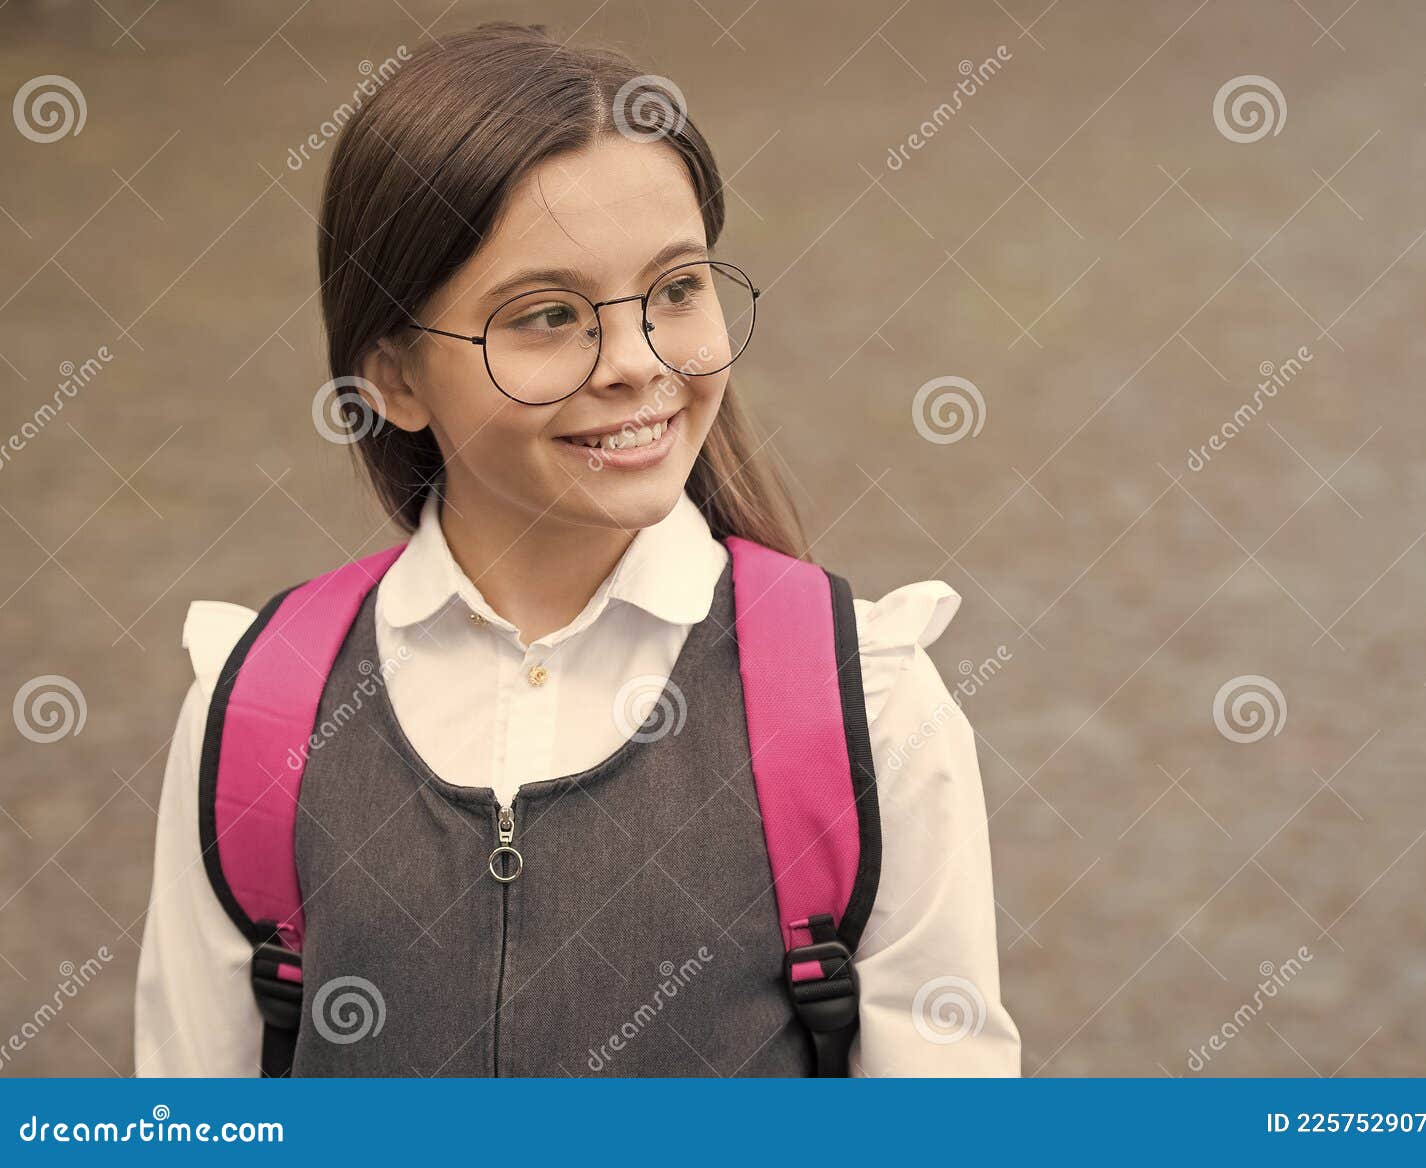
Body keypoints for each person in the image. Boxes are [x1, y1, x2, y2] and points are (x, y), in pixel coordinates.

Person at [133, 21, 1018, 1077]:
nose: (637, 364)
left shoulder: (869, 703)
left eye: (677, 289)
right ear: (396, 379)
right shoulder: (255, 712)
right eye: (548, 315)